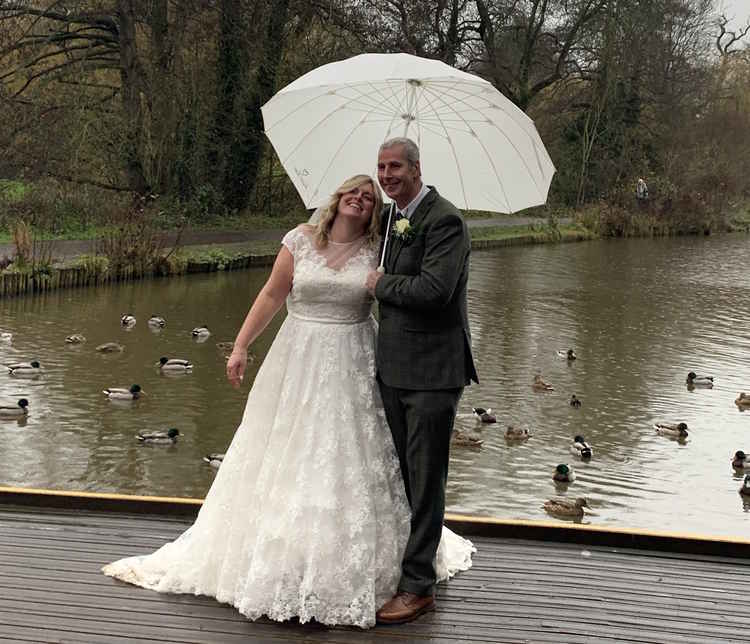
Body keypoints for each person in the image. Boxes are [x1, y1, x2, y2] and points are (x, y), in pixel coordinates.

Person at [101, 174, 473, 629]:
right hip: (297, 359)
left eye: (368, 196)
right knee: (285, 451)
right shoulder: (298, 240)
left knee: (349, 458)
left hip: (356, 361)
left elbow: (417, 290)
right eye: (352, 191)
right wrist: (240, 346)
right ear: (335, 200)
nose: (359, 198)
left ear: (376, 211)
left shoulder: (381, 249)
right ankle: (279, 557)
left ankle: (386, 566)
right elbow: (272, 294)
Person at [366, 137, 478, 624]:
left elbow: (435, 291)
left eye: (395, 167)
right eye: (381, 167)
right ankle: (410, 562)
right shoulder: (391, 219)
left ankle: (418, 587)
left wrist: (378, 284)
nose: (387, 175)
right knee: (404, 475)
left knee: (426, 478)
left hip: (433, 371)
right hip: (392, 366)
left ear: (416, 168)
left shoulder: (444, 219)